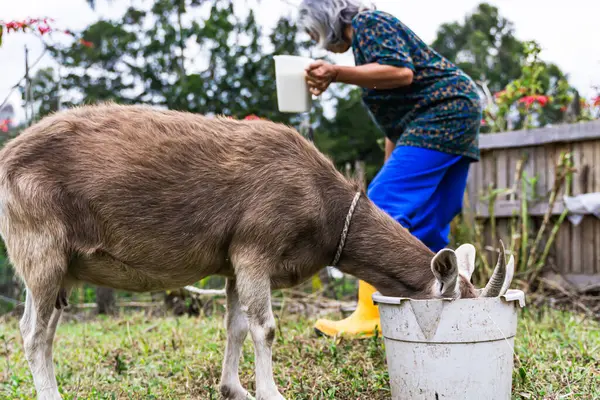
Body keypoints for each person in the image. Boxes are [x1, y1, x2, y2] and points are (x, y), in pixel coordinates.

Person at [298, 0, 483, 338]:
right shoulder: (367, 51)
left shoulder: (369, 23)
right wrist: (390, 167)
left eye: (315, 33)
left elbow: (402, 72)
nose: (319, 44)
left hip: (443, 113)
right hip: (457, 112)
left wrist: (335, 73)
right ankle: (440, 306)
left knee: (379, 209)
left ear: (327, 19)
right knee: (430, 218)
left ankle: (370, 315)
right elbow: (395, 126)